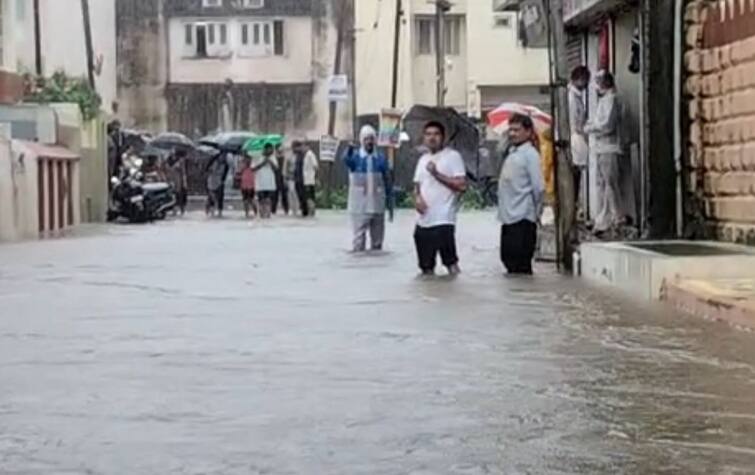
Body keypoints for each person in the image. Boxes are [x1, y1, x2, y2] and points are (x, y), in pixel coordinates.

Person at [413, 121, 467, 276]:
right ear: (424, 137)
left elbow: (462, 186)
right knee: (425, 268)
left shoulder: (453, 156)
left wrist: (436, 174)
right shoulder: (422, 159)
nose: (432, 138)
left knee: (451, 264)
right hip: (423, 221)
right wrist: (417, 199)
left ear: (443, 137)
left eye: (436, 134)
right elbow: (417, 185)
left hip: (443, 219)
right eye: (428, 134)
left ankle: (455, 294)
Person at [498, 114, 546, 275]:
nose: (512, 134)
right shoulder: (512, 153)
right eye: (510, 130)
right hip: (508, 217)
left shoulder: (531, 155)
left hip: (524, 218)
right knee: (508, 262)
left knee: (521, 265)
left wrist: (536, 213)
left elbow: (538, 188)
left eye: (517, 130)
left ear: (528, 132)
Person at [585, 71, 621, 237]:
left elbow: (607, 125)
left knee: (610, 185)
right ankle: (605, 219)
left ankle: (614, 217)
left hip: (609, 148)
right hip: (602, 148)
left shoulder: (612, 100)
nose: (596, 85)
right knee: (604, 185)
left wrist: (591, 128)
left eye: (598, 81)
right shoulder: (605, 100)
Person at [344, 125, 390, 252]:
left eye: (371, 139)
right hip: (359, 206)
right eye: (366, 139)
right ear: (361, 141)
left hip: (377, 206)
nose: (369, 142)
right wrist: (349, 148)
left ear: (375, 140)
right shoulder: (356, 158)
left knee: (377, 242)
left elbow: (387, 181)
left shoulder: (381, 159)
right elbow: (346, 160)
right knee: (358, 242)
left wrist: (390, 205)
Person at [569, 66, 591, 212]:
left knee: (577, 174)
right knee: (575, 174)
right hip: (576, 138)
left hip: (578, 137)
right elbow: (575, 123)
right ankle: (574, 205)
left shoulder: (575, 96)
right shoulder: (571, 97)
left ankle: (575, 206)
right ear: (579, 79)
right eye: (585, 81)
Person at [293, 141, 319, 217]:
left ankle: (312, 211)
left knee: (309, 196)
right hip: (306, 179)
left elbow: (316, 166)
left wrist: (315, 177)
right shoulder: (305, 155)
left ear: (307, 146)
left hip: (309, 179)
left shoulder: (310, 155)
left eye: (304, 146)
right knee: (307, 196)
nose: (302, 148)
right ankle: (309, 211)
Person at [253, 142, 278, 219]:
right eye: (269, 150)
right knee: (261, 199)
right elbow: (253, 168)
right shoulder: (257, 157)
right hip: (260, 182)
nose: (271, 151)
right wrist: (263, 163)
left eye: (272, 150)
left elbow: (276, 169)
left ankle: (268, 213)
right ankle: (261, 213)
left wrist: (270, 161)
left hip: (270, 183)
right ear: (265, 149)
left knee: (268, 199)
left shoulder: (273, 158)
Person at [205, 151, 229, 217]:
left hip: (219, 181)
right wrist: (210, 170)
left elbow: (225, 174)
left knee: (220, 196)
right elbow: (207, 170)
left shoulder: (226, 165)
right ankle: (210, 208)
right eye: (222, 156)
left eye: (225, 156)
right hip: (212, 179)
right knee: (211, 196)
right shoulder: (213, 162)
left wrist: (222, 180)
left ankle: (220, 210)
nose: (223, 157)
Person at [167, 149, 189, 216]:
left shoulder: (181, 162)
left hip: (177, 181)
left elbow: (184, 172)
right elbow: (183, 172)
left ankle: (179, 209)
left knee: (179, 195)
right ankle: (177, 209)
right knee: (178, 195)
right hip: (176, 181)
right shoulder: (178, 162)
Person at [271, 144, 289, 215]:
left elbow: (286, 167)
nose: (280, 149)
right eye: (279, 148)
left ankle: (286, 209)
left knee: (284, 195)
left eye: (281, 148)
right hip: (275, 177)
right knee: (275, 195)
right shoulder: (274, 158)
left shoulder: (285, 158)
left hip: (283, 177)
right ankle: (273, 209)